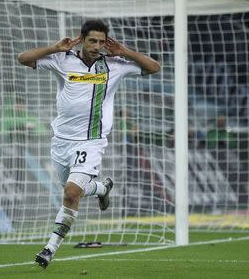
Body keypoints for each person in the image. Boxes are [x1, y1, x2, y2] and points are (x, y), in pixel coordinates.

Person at [17, 19, 160, 268]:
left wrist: (124, 51)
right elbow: (23, 58)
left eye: (101, 42)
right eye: (92, 40)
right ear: (82, 39)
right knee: (73, 191)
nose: (97, 46)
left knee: (72, 193)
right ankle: (102, 188)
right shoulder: (63, 60)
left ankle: (50, 248)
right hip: (61, 141)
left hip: (91, 141)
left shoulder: (114, 65)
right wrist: (54, 48)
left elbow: (154, 67)